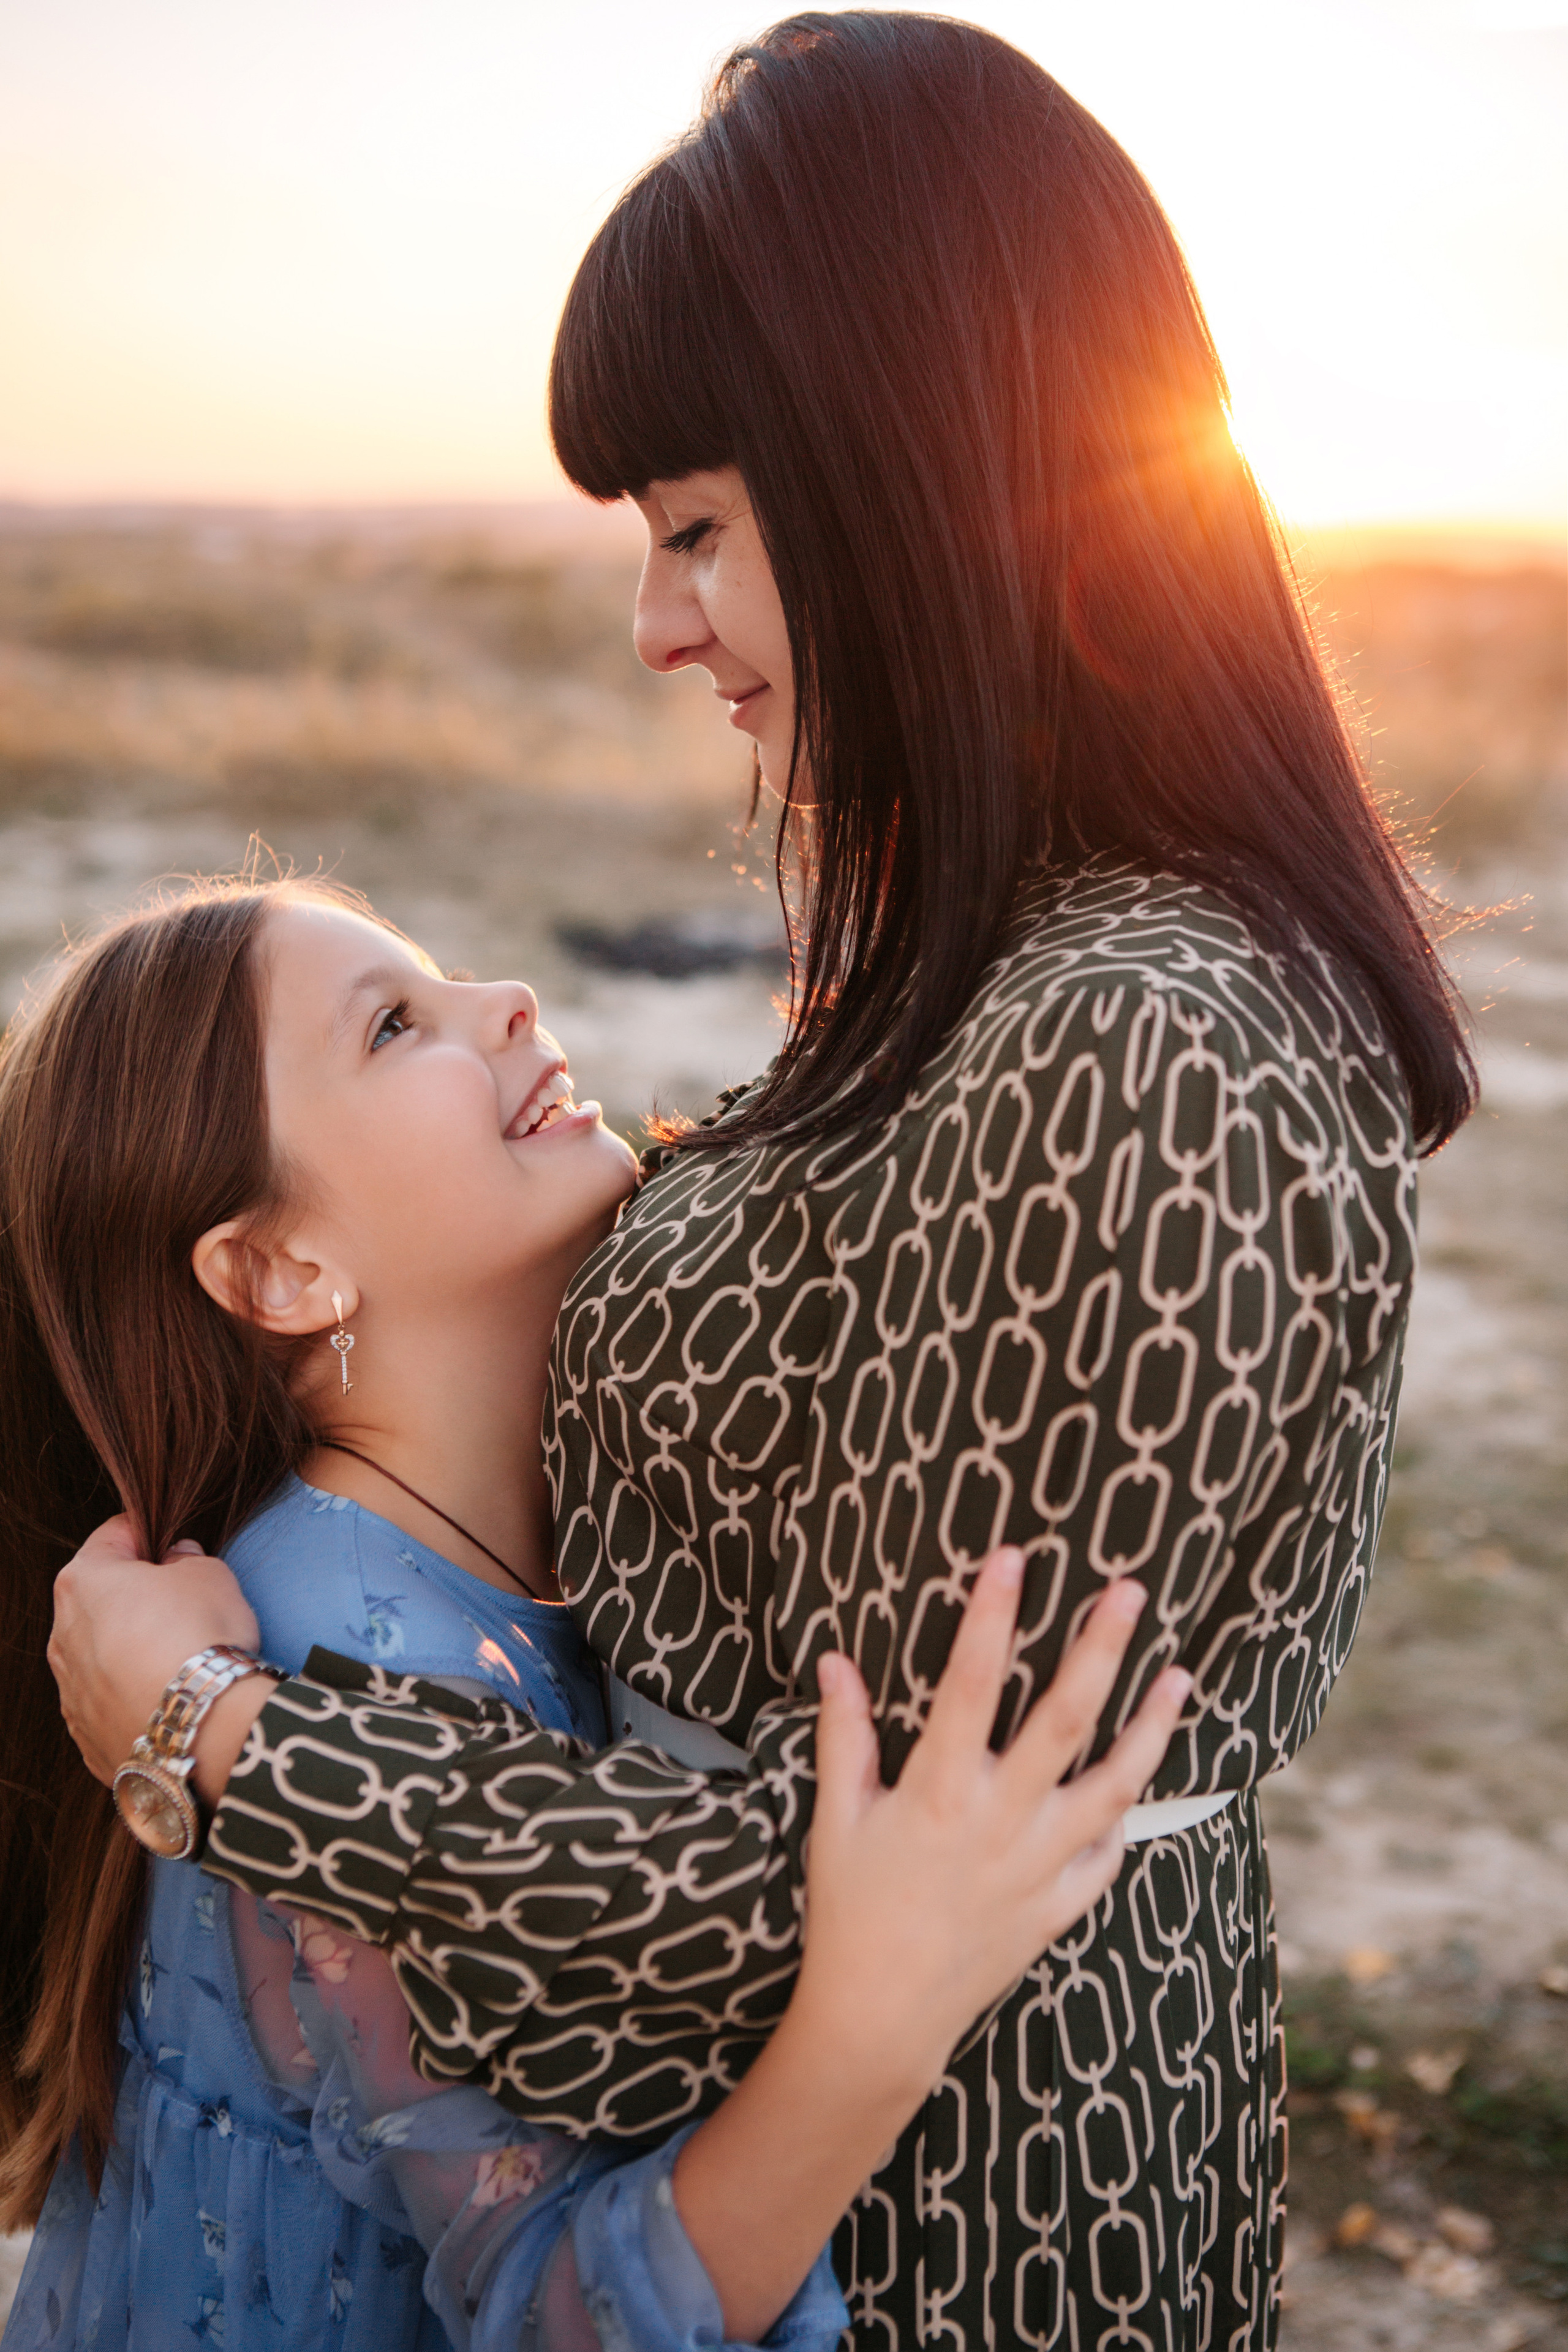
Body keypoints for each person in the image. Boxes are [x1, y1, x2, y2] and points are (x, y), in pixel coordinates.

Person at [47, 12, 1476, 2347]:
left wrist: (229, 1751)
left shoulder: (1152, 1038)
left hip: (941, 2220)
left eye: (698, 528)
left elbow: (859, 1913)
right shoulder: (1007, 946)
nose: (656, 623)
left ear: (920, 468)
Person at [0, 875, 1188, 2350]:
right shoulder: (339, 1663)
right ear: (281, 1270)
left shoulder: (538, 1535)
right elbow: (562, 2313)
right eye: (392, 1025)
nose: (507, 997)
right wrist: (878, 2028)